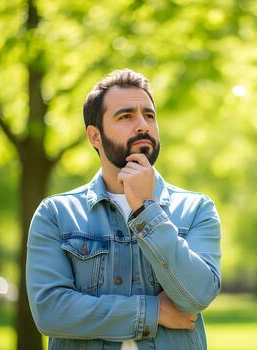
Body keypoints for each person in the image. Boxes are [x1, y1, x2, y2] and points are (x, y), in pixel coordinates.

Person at [26, 69, 222, 350]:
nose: (142, 125)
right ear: (95, 136)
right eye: (126, 116)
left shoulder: (196, 209)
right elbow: (50, 312)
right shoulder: (56, 214)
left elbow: (198, 295)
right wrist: (152, 312)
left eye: (149, 115)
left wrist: (146, 210)